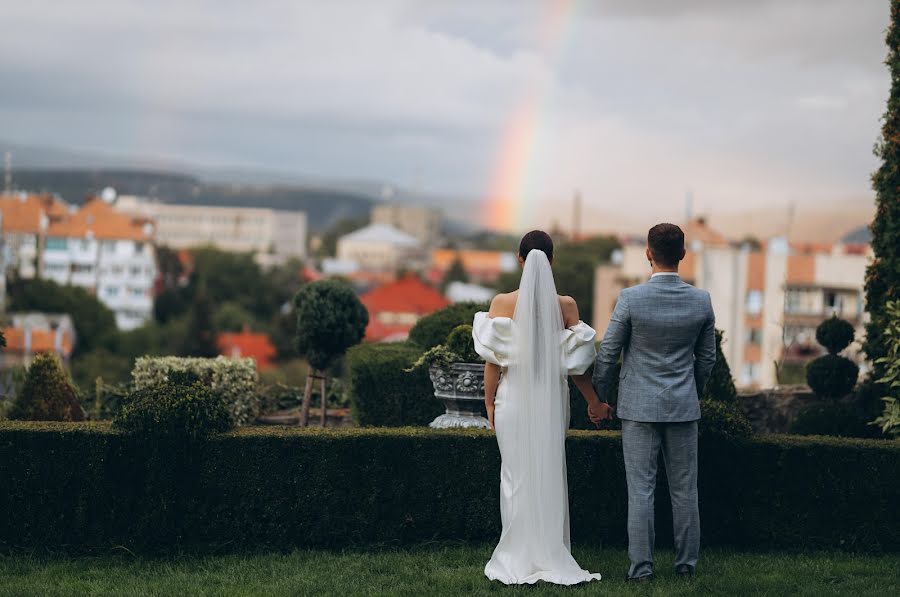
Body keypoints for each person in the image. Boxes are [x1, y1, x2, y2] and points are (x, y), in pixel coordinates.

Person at [472, 230, 612, 585]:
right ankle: (548, 551)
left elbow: (492, 362)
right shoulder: (565, 306)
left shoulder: (503, 303)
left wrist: (488, 401)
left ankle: (515, 553)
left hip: (513, 398)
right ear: (551, 261)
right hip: (551, 398)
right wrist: (593, 401)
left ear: (521, 259)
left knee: (514, 476)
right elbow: (575, 365)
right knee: (548, 471)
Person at [591, 223, 716, 583]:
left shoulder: (631, 298)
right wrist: (693, 391)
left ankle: (641, 570)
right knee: (685, 489)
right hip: (682, 407)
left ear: (648, 253)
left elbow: (608, 353)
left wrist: (599, 397)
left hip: (638, 408)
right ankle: (686, 568)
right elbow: (706, 360)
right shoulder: (701, 300)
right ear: (682, 253)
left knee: (641, 490)